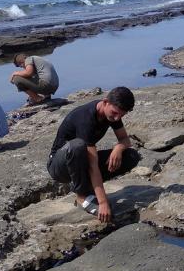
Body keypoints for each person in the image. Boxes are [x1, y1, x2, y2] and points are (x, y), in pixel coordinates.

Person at [47, 87, 141, 223]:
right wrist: (103, 202)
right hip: (59, 166)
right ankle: (81, 196)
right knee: (78, 146)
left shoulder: (113, 114)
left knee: (131, 156)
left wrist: (118, 148)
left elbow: (125, 140)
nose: (117, 118)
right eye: (115, 113)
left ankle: (89, 189)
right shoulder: (85, 118)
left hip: (80, 162)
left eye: (121, 115)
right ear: (105, 102)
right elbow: (92, 164)